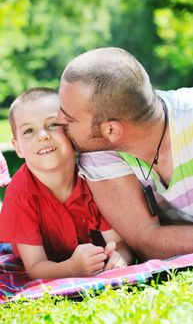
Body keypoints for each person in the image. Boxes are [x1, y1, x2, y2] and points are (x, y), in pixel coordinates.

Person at [57, 46, 193, 261]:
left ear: (111, 130)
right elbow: (147, 242)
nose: (57, 121)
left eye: (68, 118)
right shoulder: (98, 150)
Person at [0, 87, 133, 279]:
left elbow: (119, 244)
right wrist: (70, 269)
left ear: (71, 131)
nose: (43, 135)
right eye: (29, 130)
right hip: (30, 250)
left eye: (53, 124)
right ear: (18, 147)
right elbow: (35, 266)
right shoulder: (20, 194)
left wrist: (120, 258)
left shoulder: (94, 178)